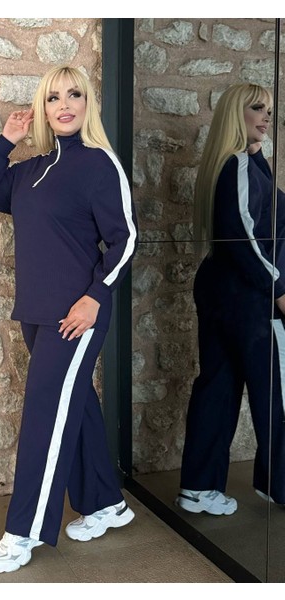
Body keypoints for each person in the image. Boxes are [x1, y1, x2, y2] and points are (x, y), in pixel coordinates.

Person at [0, 65, 138, 572]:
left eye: (74, 94)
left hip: (76, 315)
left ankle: (24, 531)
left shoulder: (99, 164)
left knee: (44, 412)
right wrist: (7, 139)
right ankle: (106, 503)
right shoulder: (29, 171)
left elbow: (125, 239)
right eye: (53, 97)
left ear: (87, 104)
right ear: (42, 107)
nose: (64, 105)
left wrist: (95, 297)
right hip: (35, 313)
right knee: (72, 405)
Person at [176, 82, 285, 516]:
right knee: (275, 390)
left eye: (269, 110)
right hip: (248, 295)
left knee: (217, 386)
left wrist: (259, 155)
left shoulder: (242, 164)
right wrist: (279, 290)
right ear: (235, 114)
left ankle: (199, 487)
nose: (266, 116)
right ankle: (279, 485)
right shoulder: (238, 163)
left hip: (224, 290)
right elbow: (243, 235)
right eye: (257, 108)